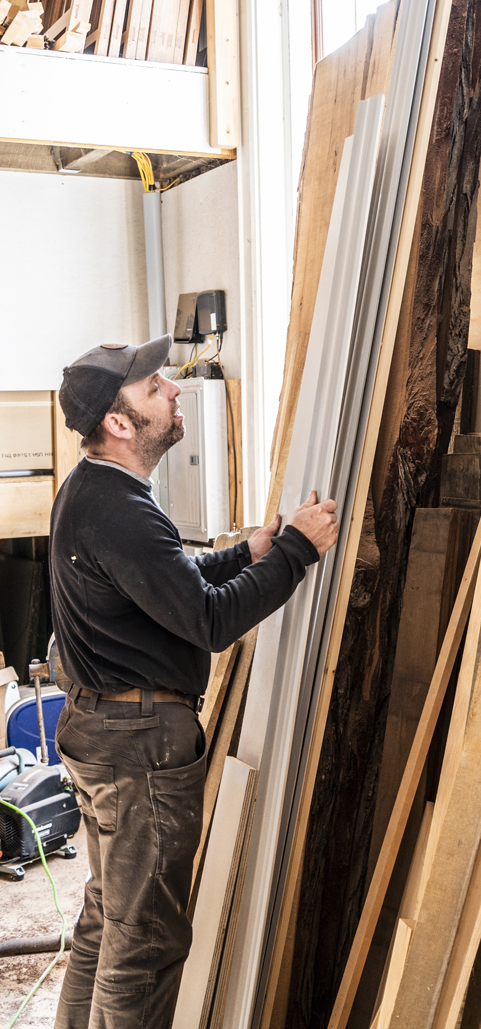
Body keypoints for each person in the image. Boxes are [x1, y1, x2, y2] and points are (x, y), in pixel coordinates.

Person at [49, 335, 338, 1029]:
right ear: (120, 424)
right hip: (136, 749)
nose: (175, 390)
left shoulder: (97, 494)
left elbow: (168, 584)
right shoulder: (120, 510)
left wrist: (252, 552)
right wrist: (298, 549)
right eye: (155, 387)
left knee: (108, 918)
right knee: (143, 941)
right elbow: (209, 621)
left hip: (104, 731)